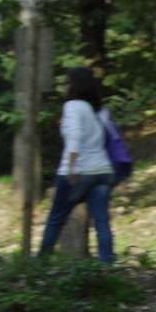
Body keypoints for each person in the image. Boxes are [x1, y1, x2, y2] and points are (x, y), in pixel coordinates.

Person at [37, 66, 118, 265]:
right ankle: (106, 266)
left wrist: (72, 169)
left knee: (56, 218)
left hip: (79, 170)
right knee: (101, 222)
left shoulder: (72, 106)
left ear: (73, 85)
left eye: (67, 82)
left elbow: (75, 138)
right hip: (103, 170)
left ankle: (39, 264)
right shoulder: (99, 109)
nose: (65, 85)